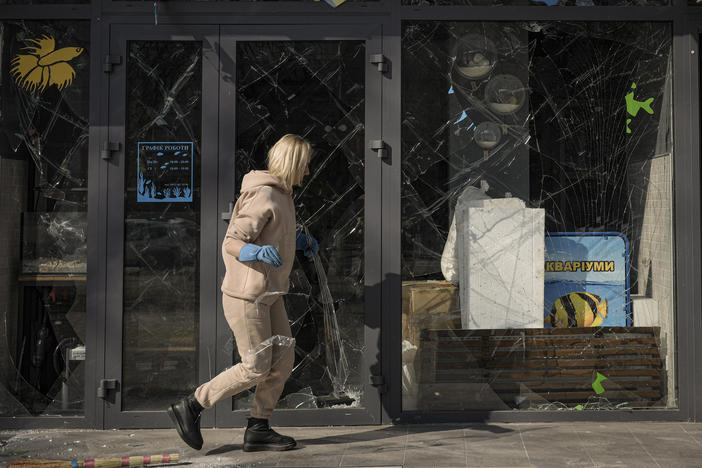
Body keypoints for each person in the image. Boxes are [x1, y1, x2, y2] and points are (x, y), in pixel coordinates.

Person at [167, 134, 319, 452]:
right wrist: (255, 253)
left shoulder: (283, 196)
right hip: (246, 297)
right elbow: (231, 242)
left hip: (270, 294)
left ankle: (258, 427)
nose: (308, 172)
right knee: (256, 365)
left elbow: (274, 233)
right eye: (305, 165)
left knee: (283, 357)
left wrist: (298, 242)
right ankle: (192, 406)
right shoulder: (264, 193)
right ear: (292, 163)